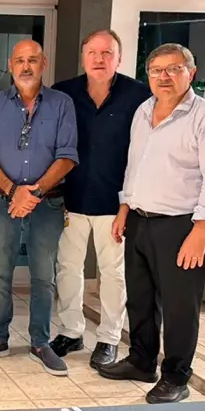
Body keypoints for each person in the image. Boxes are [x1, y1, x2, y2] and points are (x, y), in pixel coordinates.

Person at [98, 43, 205, 404]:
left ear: (191, 72)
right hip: (139, 220)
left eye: (173, 69)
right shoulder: (144, 111)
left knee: (179, 307)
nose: (164, 77)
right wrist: (124, 208)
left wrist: (201, 231)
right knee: (140, 298)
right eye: (156, 70)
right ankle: (142, 361)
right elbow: (135, 165)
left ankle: (176, 376)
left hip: (181, 226)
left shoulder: (201, 116)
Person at [0, 40, 78, 377]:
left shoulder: (62, 103)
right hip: (1, 201)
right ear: (10, 65)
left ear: (43, 64)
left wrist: (34, 192)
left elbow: (67, 156)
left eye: (32, 60)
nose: (26, 67)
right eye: (19, 61)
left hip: (48, 202)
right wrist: (14, 191)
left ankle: (40, 342)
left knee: (44, 276)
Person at [49, 30, 150, 368]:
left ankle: (109, 337)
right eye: (93, 52)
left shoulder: (139, 95)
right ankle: (70, 331)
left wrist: (127, 204)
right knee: (67, 268)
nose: (99, 59)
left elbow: (143, 154)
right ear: (83, 57)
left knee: (112, 273)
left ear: (119, 58)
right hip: (70, 199)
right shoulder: (63, 93)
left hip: (115, 203)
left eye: (107, 53)